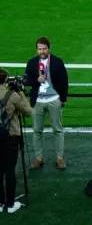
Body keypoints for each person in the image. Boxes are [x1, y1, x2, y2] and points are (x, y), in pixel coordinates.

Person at [25, 36, 69, 170]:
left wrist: (62, 99)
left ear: (48, 48)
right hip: (37, 101)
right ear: (36, 49)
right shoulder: (32, 63)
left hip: (54, 100)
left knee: (58, 130)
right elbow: (26, 81)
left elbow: (64, 81)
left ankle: (59, 158)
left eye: (44, 48)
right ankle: (38, 158)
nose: (42, 51)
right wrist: (37, 80)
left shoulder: (57, 62)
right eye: (39, 49)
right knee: (37, 131)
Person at [0, 68, 32, 213]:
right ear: (6, 79)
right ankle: (11, 203)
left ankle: (0, 203)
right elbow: (28, 112)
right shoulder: (12, 95)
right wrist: (21, 94)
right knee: (9, 169)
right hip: (11, 136)